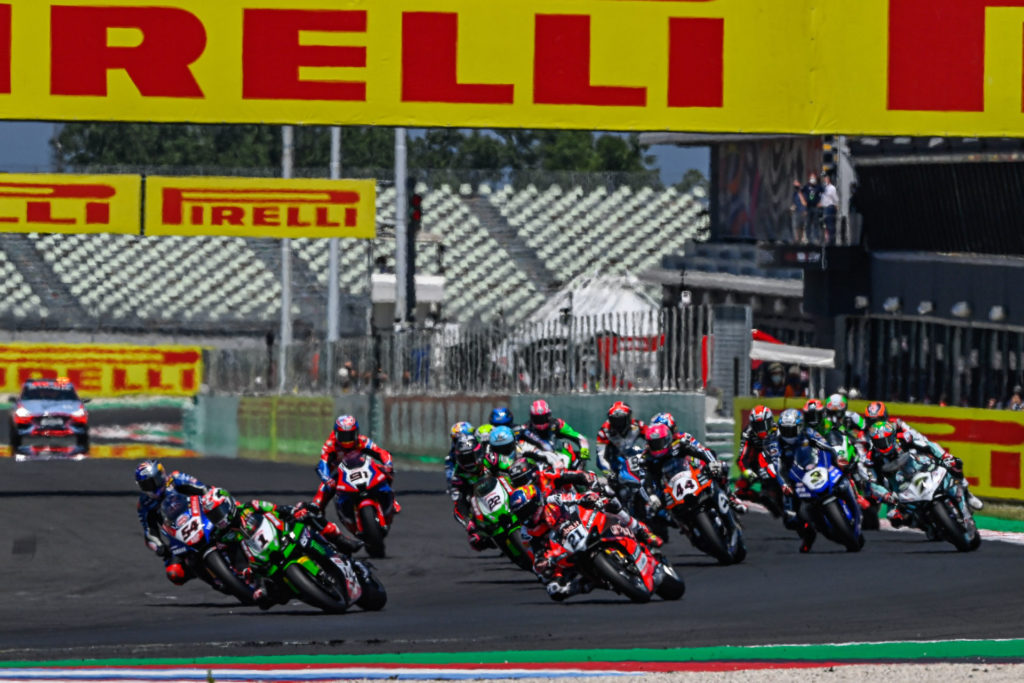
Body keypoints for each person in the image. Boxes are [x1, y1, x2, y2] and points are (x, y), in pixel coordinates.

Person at [509, 483, 662, 601]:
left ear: (536, 502)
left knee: (611, 502)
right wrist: (542, 563)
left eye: (527, 510)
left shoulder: (552, 500)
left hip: (584, 524)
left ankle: (642, 531)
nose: (526, 516)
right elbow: (535, 556)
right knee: (554, 590)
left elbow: (573, 498)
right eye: (521, 514)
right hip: (565, 551)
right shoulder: (526, 532)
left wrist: (587, 498)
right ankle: (589, 583)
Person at [864, 402, 982, 511]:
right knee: (891, 510)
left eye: (877, 420)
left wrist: (939, 454)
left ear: (885, 417)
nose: (874, 424)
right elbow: (869, 469)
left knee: (950, 462)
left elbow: (918, 438)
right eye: (871, 421)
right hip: (889, 469)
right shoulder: (867, 436)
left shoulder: (896, 424)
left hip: (910, 455)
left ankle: (966, 492)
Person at [864, 423, 981, 528]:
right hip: (899, 488)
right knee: (894, 518)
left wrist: (944, 457)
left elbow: (928, 445)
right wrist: (886, 495)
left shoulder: (904, 438)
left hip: (920, 468)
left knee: (954, 467)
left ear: (892, 436)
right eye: (879, 442)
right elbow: (872, 482)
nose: (883, 445)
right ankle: (924, 525)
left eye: (885, 440)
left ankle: (965, 507)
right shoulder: (871, 457)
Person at [646, 416, 746, 513]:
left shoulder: (682, 438)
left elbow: (701, 450)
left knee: (720, 467)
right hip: (672, 481)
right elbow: (648, 477)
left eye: (671, 429)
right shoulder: (650, 454)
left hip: (693, 467)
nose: (674, 432)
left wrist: (710, 464)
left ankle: (730, 496)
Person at [134, 459, 209, 585]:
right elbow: (149, 533)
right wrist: (160, 547)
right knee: (174, 573)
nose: (150, 488)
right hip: (179, 537)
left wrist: (209, 498)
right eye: (145, 485)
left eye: (152, 482)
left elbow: (203, 489)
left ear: (160, 476)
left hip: (201, 518)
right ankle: (205, 574)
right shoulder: (144, 504)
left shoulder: (176, 478)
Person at [777, 408, 836, 552]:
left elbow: (824, 444)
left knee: (841, 476)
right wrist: (784, 483)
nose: (788, 434)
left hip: (814, 467)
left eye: (791, 430)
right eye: (785, 430)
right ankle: (808, 535)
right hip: (793, 477)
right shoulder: (777, 441)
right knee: (790, 519)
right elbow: (776, 465)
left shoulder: (808, 432)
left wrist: (833, 455)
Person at [311, 414, 395, 511]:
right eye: (343, 436)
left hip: (360, 465)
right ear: (336, 434)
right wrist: (327, 479)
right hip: (339, 471)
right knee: (323, 490)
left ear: (356, 433)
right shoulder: (330, 445)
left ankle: (390, 497)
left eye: (350, 435)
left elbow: (381, 452)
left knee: (384, 470)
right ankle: (317, 510)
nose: (347, 440)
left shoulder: (362, 440)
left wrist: (388, 464)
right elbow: (323, 464)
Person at [519, 399, 591, 463]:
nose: (540, 422)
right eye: (537, 419)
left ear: (548, 416)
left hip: (559, 455)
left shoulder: (557, 424)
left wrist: (584, 452)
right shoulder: (526, 428)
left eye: (543, 418)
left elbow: (579, 437)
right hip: (538, 458)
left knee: (573, 456)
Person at [595, 401, 646, 477]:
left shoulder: (638, 425)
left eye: (621, 420)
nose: (618, 424)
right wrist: (609, 473)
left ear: (628, 418)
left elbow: (651, 439)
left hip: (632, 454)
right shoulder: (604, 431)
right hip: (615, 460)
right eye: (615, 420)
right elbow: (600, 457)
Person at [444, 421, 474, 486]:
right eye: (455, 440)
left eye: (456, 439)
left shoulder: (476, 447)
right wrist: (452, 478)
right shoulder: (453, 452)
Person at [801, 172, 823, 244]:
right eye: (811, 178)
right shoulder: (806, 187)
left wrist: (820, 202)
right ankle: (808, 238)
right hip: (808, 207)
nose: (812, 180)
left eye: (814, 178)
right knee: (808, 223)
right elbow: (801, 193)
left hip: (815, 207)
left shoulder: (818, 187)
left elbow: (824, 194)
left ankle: (816, 238)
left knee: (816, 223)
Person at [820, 173, 839, 245]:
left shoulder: (832, 188)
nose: (824, 180)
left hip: (830, 208)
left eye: (825, 178)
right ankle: (826, 240)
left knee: (830, 225)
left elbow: (835, 199)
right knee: (825, 225)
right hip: (824, 208)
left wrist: (836, 206)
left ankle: (831, 241)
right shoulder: (823, 188)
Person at [790, 178, 808, 244]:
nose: (796, 188)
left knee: (803, 227)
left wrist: (800, 193)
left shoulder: (804, 193)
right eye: (795, 186)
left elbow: (805, 203)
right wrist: (792, 208)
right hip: (797, 212)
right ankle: (797, 239)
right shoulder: (795, 194)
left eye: (797, 186)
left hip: (803, 212)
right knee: (797, 226)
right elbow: (795, 203)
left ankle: (804, 240)